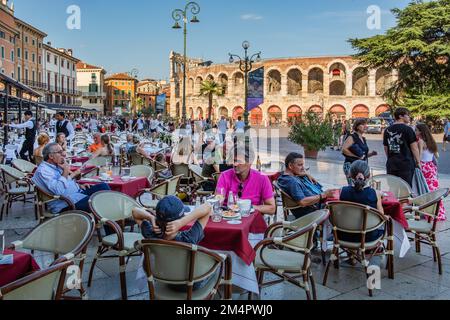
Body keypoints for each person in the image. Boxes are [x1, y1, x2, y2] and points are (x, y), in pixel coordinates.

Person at [32, 143, 111, 214]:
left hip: (77, 194)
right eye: (60, 152)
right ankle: (111, 226)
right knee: (100, 201)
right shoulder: (43, 171)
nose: (64, 154)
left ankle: (110, 223)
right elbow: (58, 190)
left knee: (104, 187)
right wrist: (66, 170)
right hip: (65, 204)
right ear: (51, 156)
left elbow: (66, 181)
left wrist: (78, 185)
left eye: (63, 151)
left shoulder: (56, 166)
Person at [215, 144, 276, 216]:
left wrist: (250, 207)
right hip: (227, 218)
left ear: (249, 162)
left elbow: (271, 208)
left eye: (239, 161)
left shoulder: (262, 178)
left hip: (251, 220)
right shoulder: (225, 176)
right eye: (234, 161)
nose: (235, 164)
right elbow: (217, 202)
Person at [277, 153, 336, 219]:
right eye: (300, 165)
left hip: (315, 205)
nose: (303, 168)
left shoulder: (283, 177)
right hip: (313, 211)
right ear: (290, 165)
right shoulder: (292, 182)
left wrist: (306, 174)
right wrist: (323, 195)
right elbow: (303, 202)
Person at [339, 160, 385, 242]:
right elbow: (381, 216)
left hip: (344, 235)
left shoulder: (342, 191)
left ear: (349, 175)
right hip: (368, 237)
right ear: (369, 175)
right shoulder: (375, 193)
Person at [383, 107, 421, 187]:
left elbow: (386, 148)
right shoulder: (408, 129)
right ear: (400, 116)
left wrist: (390, 158)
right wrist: (418, 162)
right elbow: (414, 148)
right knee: (406, 188)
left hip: (392, 164)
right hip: (405, 164)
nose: (409, 117)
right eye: (407, 115)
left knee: (393, 188)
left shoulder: (387, 130)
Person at [416, 123, 446, 221]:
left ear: (420, 131)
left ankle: (428, 213)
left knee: (425, 190)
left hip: (424, 167)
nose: (415, 132)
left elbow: (419, 157)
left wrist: (417, 165)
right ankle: (438, 213)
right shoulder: (431, 141)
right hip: (431, 167)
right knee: (434, 191)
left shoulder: (420, 141)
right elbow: (437, 156)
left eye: (416, 130)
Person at [342, 118, 377, 185]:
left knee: (361, 186)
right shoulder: (352, 137)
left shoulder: (363, 139)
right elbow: (344, 150)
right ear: (357, 126)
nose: (365, 126)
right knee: (353, 186)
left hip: (361, 167)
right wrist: (356, 156)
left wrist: (371, 154)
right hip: (351, 166)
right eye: (363, 125)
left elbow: (363, 156)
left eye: (366, 125)